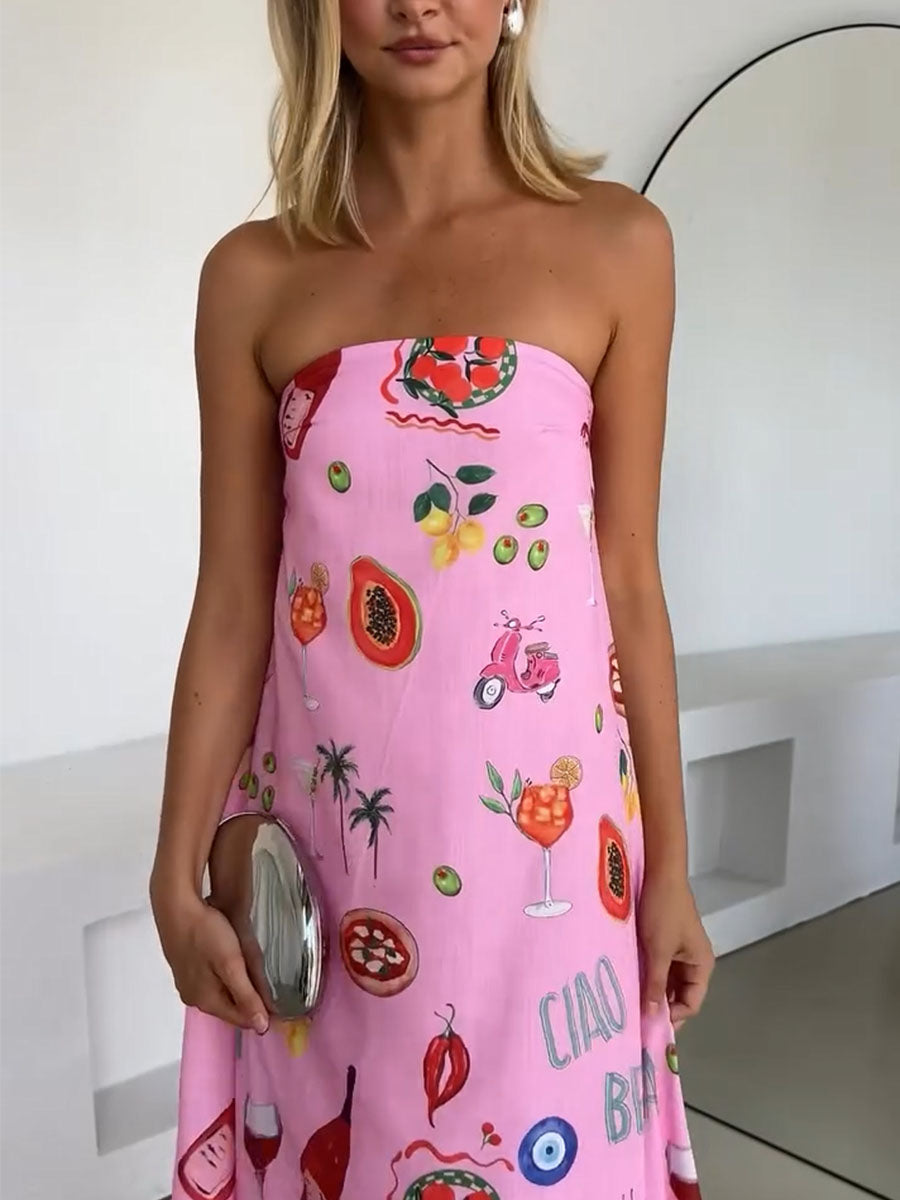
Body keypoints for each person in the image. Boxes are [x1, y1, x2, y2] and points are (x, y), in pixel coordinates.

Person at [150, 1, 715, 1196]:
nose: (418, 5)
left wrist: (672, 864)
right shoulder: (251, 278)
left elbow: (628, 578)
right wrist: (172, 868)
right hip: (328, 867)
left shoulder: (620, 245)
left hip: (550, 880)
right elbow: (234, 598)